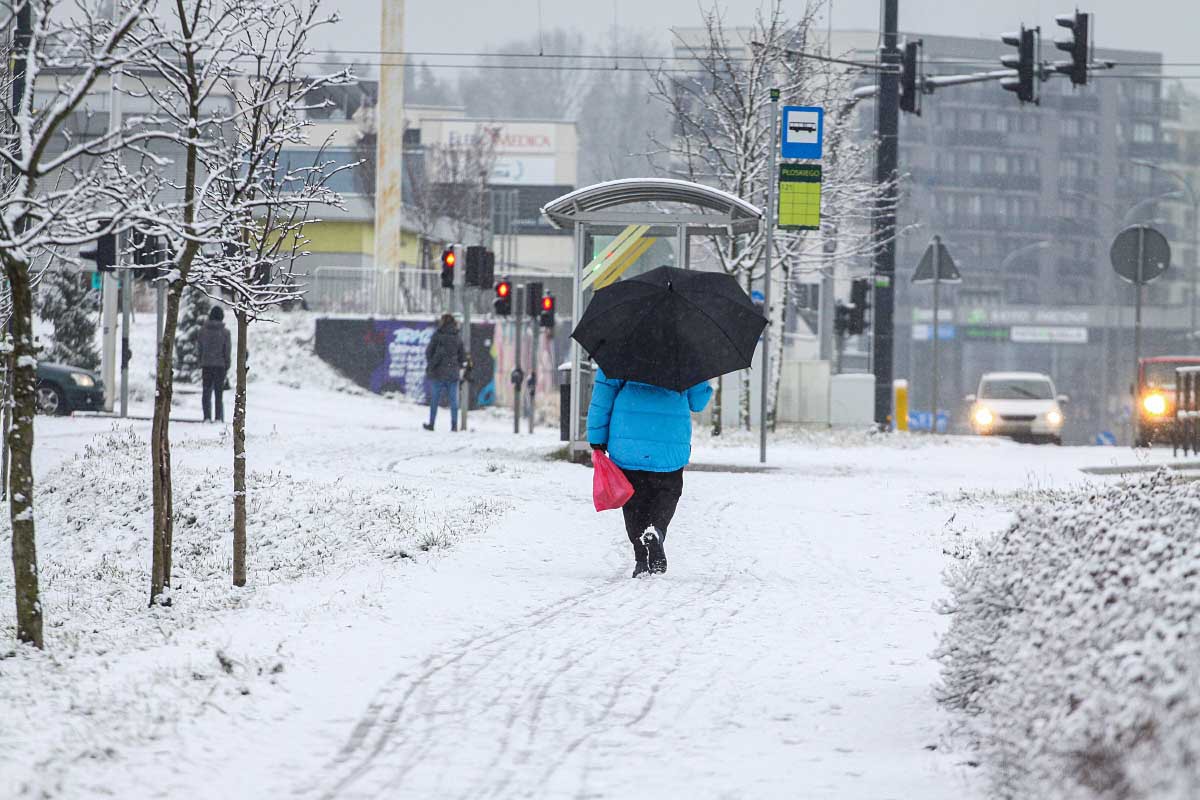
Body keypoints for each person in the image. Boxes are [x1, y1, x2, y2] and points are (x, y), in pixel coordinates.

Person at [587, 367, 713, 577]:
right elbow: (698, 402)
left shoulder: (620, 348)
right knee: (667, 493)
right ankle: (657, 531)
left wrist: (597, 438)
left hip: (628, 441)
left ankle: (641, 560)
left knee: (633, 501)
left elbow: (603, 398)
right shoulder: (685, 353)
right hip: (669, 443)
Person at [423, 313, 467, 432]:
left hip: (438, 373)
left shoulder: (437, 335)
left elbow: (428, 352)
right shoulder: (457, 337)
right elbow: (462, 356)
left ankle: (431, 424)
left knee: (435, 400)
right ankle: (454, 425)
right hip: (452, 373)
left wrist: (433, 363)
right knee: (453, 401)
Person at [198, 305, 231, 423]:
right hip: (220, 366)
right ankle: (218, 418)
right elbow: (227, 350)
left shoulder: (202, 331)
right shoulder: (225, 332)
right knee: (218, 393)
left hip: (206, 364)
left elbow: (200, 348)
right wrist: (227, 364)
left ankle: (206, 417)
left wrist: (200, 361)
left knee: (206, 392)